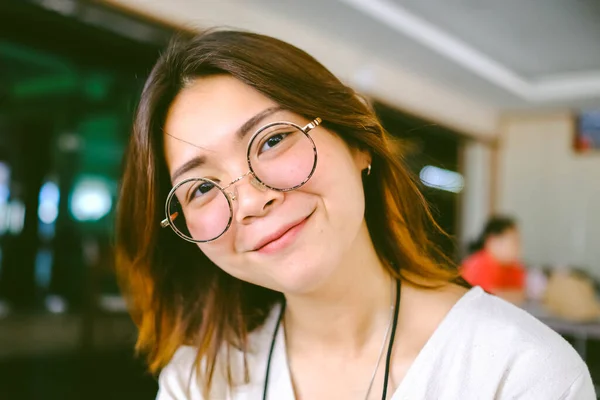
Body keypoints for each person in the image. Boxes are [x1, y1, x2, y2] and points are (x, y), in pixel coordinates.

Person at [116, 30, 594, 399]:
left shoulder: (517, 370)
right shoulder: (200, 381)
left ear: (358, 143)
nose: (249, 201)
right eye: (200, 187)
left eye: (273, 140)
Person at [461, 216, 527, 305]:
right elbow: (485, 298)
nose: (517, 248)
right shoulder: (477, 265)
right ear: (492, 241)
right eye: (513, 241)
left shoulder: (515, 268)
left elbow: (521, 296)